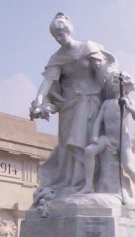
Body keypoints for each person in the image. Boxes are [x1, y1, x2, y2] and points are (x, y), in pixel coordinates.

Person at [29, 13, 119, 205]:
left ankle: (86, 183)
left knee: (83, 141)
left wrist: (116, 89)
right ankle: (72, 182)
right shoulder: (57, 57)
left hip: (90, 102)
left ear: (69, 30)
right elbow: (48, 80)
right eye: (56, 34)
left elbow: (104, 75)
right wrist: (38, 99)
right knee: (68, 146)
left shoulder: (88, 47)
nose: (60, 37)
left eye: (62, 32)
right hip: (69, 106)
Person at [80, 74, 135, 212]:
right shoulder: (107, 103)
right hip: (107, 138)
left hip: (123, 139)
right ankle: (89, 185)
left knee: (128, 167)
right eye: (114, 82)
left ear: (125, 86)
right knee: (89, 151)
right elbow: (98, 121)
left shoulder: (128, 101)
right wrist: (95, 135)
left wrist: (128, 106)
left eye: (118, 82)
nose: (115, 84)